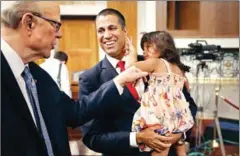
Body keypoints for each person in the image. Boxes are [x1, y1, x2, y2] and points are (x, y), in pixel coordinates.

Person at [1, 2, 148, 156]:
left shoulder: (37, 75)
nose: (60, 34)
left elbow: (74, 113)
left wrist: (119, 80)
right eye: (56, 25)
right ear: (29, 23)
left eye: (112, 28)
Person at [79, 8, 197, 156]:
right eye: (100, 31)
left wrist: (178, 134)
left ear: (125, 31)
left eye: (112, 28)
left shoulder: (156, 63)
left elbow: (189, 105)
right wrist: (137, 137)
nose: (107, 35)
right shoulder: (90, 78)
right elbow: (92, 137)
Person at [128, 31, 194, 156]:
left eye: (148, 47)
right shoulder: (179, 68)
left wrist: (132, 52)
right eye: (143, 48)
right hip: (178, 115)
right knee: (180, 149)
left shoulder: (157, 63)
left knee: (160, 149)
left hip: (161, 115)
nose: (144, 52)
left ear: (162, 47)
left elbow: (132, 68)